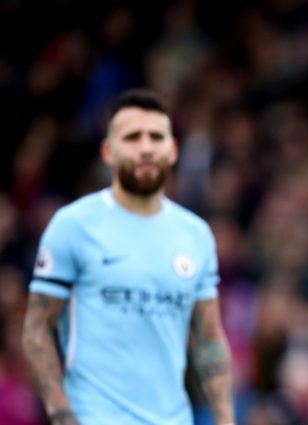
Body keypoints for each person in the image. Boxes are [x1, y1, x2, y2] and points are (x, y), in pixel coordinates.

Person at [21, 89, 236, 425]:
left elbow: (209, 340)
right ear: (108, 151)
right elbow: (37, 328)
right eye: (133, 137)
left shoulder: (195, 235)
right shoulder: (74, 225)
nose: (146, 147)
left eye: (156, 137)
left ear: (173, 149)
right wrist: (62, 413)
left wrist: (226, 419)